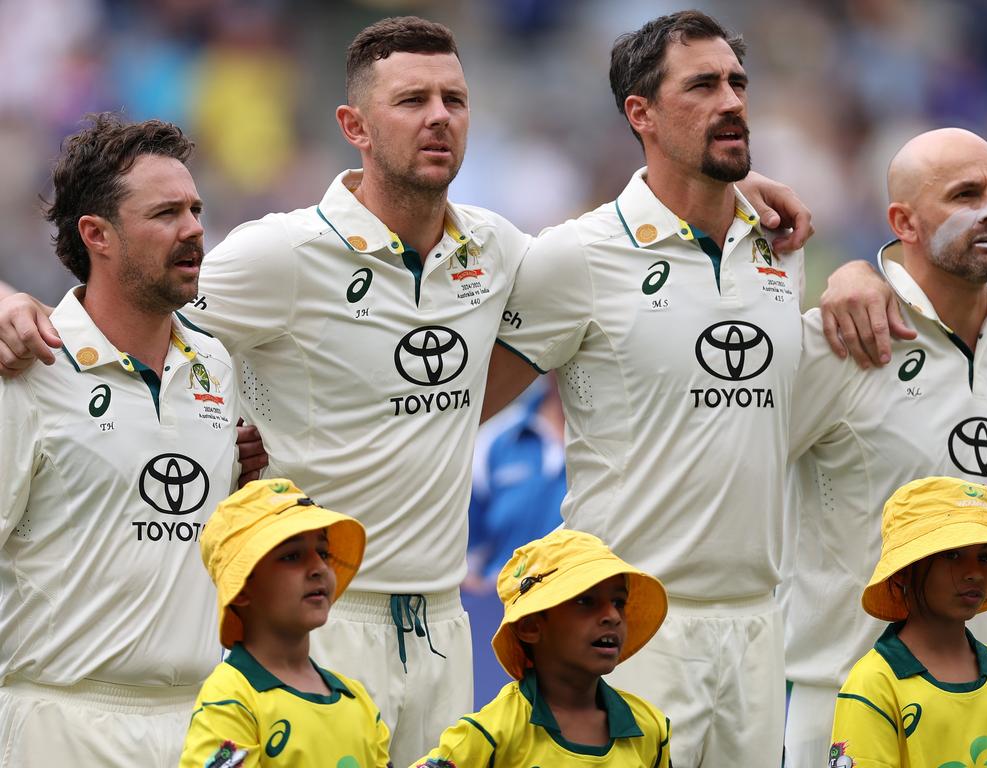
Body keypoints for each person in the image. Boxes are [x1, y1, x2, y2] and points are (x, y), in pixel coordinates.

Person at [0, 16, 811, 764]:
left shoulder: (500, 252)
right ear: (353, 127)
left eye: (455, 99)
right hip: (319, 623)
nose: (439, 117)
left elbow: (638, 246)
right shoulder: (279, 255)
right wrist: (9, 304)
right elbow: (121, 306)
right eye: (412, 100)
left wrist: (738, 187)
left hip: (442, 627)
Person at [481, 11, 802, 766]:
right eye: (703, 85)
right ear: (642, 114)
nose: (731, 101)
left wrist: (861, 271)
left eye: (737, 83)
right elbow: (458, 404)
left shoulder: (778, 244)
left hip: (760, 627)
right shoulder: (579, 254)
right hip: (633, 630)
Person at [0, 113, 240, 767]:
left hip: (196, 723)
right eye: (165, 213)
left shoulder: (218, 368)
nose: (193, 229)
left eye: (195, 209)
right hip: (60, 723)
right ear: (97, 235)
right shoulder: (28, 365)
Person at [781, 128, 987, 768]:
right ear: (903, 223)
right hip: (851, 704)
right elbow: (731, 478)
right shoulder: (838, 338)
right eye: (965, 194)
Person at [411, 529, 671, 768]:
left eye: (619, 601)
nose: (612, 616)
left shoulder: (651, 729)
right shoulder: (491, 733)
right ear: (530, 626)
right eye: (585, 601)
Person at [180, 478, 391, 768]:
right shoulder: (230, 698)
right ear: (241, 588)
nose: (318, 567)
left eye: (324, 552)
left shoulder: (356, 699)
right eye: (292, 556)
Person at [829, 476, 987, 767]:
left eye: (985, 557)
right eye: (952, 554)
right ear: (904, 570)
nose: (975, 573)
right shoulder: (874, 685)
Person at [464, 374, 566, 594]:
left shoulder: (629, 442)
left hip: (593, 606)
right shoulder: (494, 439)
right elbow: (466, 552)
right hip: (505, 609)